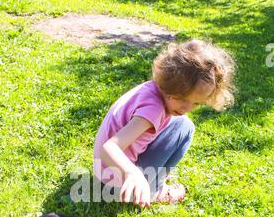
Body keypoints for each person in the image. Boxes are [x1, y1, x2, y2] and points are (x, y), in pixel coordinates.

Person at [93, 39, 236, 207]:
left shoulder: (151, 89)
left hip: (104, 172)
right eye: (182, 99)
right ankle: (155, 189)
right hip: (121, 186)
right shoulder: (153, 110)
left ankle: (148, 178)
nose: (187, 108)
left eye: (196, 103)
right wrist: (133, 174)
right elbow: (109, 148)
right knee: (185, 128)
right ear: (171, 85)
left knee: (181, 121)